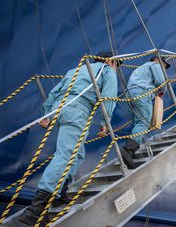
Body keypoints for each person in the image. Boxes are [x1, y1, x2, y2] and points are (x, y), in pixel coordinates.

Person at [19, 51, 119, 225]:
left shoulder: (76, 70)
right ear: (111, 61)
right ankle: (36, 210)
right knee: (65, 155)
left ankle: (59, 193)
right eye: (117, 64)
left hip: (60, 108)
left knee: (77, 154)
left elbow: (56, 91)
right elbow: (108, 97)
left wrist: (47, 114)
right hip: (77, 111)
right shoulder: (107, 70)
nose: (116, 68)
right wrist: (105, 122)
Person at [120, 56, 170, 169]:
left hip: (130, 94)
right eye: (164, 67)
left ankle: (131, 153)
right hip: (142, 94)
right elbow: (161, 82)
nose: (163, 69)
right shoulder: (155, 65)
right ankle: (127, 151)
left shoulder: (140, 68)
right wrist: (163, 91)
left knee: (138, 123)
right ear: (158, 61)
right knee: (144, 123)